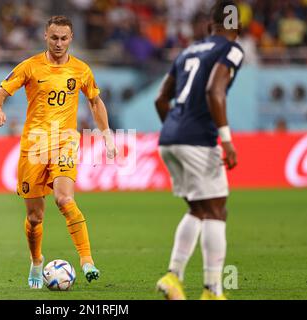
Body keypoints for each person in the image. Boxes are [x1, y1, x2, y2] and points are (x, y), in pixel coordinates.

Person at [0, 15, 117, 289]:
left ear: (71, 39)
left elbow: (95, 102)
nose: (59, 43)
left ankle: (86, 261)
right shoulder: (30, 67)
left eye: (64, 38)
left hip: (65, 142)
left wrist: (107, 136)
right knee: (35, 218)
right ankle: (36, 261)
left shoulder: (81, 70)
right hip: (34, 145)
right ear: (45, 37)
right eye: (54, 38)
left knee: (64, 200)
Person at [154, 0, 244, 300]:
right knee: (217, 210)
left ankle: (173, 277)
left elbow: (160, 100)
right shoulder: (231, 49)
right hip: (197, 140)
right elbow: (214, 91)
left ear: (209, 26)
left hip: (169, 137)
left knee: (199, 209)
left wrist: (176, 130)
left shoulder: (188, 51)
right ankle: (212, 290)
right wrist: (226, 139)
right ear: (238, 27)